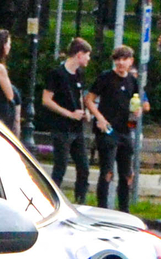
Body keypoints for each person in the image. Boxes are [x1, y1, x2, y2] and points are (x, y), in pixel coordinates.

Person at [89, 43, 145, 211]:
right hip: (108, 129)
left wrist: (138, 111)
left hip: (125, 129)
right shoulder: (105, 77)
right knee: (107, 171)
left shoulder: (132, 81)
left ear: (131, 61)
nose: (121, 63)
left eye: (124, 59)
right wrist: (99, 117)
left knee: (126, 173)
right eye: (118, 59)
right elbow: (89, 99)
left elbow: (136, 103)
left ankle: (124, 209)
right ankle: (102, 208)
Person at [38, 38, 95, 202]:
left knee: (83, 167)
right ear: (79, 55)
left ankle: (80, 200)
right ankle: (51, 200)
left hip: (77, 128)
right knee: (60, 167)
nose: (88, 59)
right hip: (61, 127)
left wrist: (85, 112)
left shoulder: (79, 74)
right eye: (87, 55)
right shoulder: (57, 74)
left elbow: (79, 95)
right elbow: (47, 99)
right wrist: (69, 113)